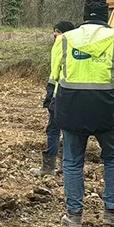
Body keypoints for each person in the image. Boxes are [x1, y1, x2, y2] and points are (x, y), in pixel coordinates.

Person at [50, 0, 114, 227]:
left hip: (71, 108)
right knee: (113, 157)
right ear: (107, 16)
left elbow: (55, 72)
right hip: (106, 108)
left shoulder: (65, 39)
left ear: (84, 15)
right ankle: (113, 212)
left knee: (72, 161)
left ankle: (74, 216)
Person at [31, 21, 75, 177]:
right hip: (72, 97)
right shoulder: (77, 49)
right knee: (70, 131)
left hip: (59, 96)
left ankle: (48, 167)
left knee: (53, 131)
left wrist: (51, 96)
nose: (55, 34)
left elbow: (55, 76)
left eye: (58, 31)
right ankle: (67, 166)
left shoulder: (61, 49)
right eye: (54, 31)